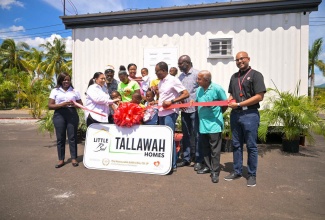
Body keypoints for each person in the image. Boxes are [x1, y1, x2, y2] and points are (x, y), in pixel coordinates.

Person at [224, 51, 266, 187]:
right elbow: (231, 93)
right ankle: (237, 171)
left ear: (248, 59)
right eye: (237, 60)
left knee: (251, 146)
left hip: (250, 114)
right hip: (236, 115)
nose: (240, 61)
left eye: (242, 58)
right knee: (236, 144)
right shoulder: (234, 77)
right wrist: (229, 100)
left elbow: (259, 96)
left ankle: (252, 174)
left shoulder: (256, 75)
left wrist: (240, 104)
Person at [153, 61, 189, 172]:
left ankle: (172, 164)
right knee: (164, 138)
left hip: (170, 113)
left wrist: (172, 101)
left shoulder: (173, 80)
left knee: (169, 137)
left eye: (157, 71)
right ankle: (166, 162)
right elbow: (163, 97)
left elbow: (185, 93)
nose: (156, 74)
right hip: (161, 113)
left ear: (163, 71)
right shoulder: (160, 82)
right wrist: (155, 101)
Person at [195, 70, 227, 183]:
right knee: (205, 147)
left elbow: (225, 104)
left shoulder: (217, 88)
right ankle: (208, 167)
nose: (197, 80)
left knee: (215, 149)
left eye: (199, 79)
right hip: (202, 123)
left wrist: (217, 114)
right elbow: (196, 103)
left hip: (214, 124)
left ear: (207, 80)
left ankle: (215, 171)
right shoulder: (198, 90)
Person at [48, 72, 83, 168]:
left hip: (72, 114)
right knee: (60, 138)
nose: (66, 81)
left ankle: (74, 158)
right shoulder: (55, 91)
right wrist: (61, 104)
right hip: (59, 114)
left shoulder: (75, 91)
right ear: (60, 80)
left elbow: (81, 104)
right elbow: (50, 106)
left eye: (68, 79)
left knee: (72, 137)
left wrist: (74, 104)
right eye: (64, 80)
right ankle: (61, 159)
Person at [177, 55, 202, 171]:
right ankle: (186, 158)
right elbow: (179, 91)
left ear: (187, 63)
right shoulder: (180, 76)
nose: (179, 66)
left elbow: (203, 89)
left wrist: (196, 100)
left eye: (180, 64)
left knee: (196, 134)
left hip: (195, 110)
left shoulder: (197, 74)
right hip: (184, 110)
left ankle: (197, 159)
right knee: (186, 134)